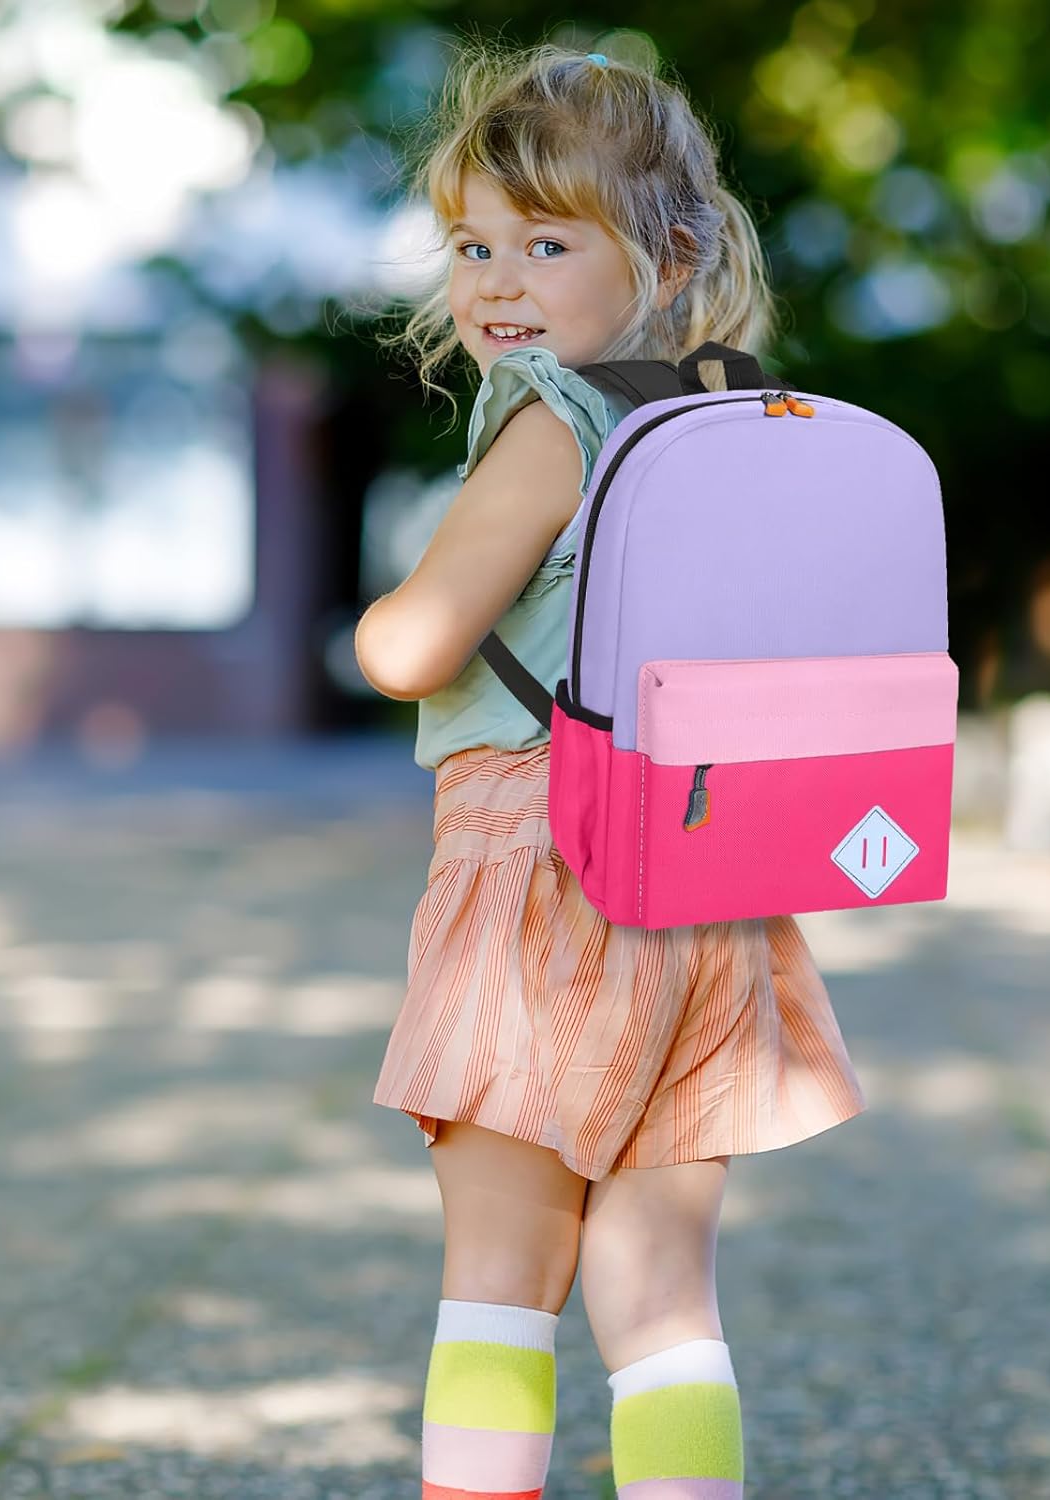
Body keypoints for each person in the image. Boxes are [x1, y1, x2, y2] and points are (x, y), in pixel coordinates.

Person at [356, 39, 867, 1500]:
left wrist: (383, 620)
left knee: (501, 1276)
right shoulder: (726, 421)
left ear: (670, 251)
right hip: (704, 889)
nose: (497, 282)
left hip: (542, 883)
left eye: (546, 242)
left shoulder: (551, 422)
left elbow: (415, 645)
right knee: (661, 1299)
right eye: (472, 244)